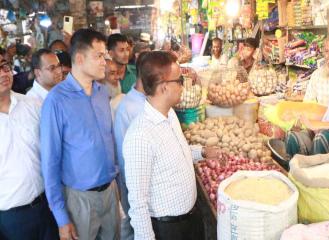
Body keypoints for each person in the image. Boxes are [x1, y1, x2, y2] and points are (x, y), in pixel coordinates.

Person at [123, 51, 220, 240]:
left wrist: (202, 152)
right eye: (179, 80)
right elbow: (137, 203)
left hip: (190, 220)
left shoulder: (170, 115)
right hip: (168, 230)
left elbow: (176, 154)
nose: (183, 86)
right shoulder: (140, 135)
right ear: (164, 87)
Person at [41, 28, 120, 240]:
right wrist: (61, 217)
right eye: (99, 55)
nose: (105, 61)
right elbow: (50, 162)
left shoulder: (102, 92)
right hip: (80, 199)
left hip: (110, 192)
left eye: (105, 55)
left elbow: (110, 139)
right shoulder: (56, 101)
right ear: (79, 58)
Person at [0, 59, 59, 240]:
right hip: (12, 218)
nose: (3, 73)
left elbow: (52, 150)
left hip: (46, 206)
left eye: (4, 67)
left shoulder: (32, 105)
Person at [114, 51, 148, 239]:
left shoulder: (145, 102)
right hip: (134, 183)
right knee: (133, 226)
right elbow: (123, 152)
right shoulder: (129, 107)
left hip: (140, 183)